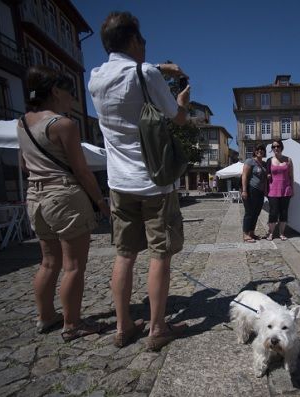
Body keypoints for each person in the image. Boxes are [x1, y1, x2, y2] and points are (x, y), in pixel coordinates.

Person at [88, 11, 190, 350]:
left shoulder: (95, 78)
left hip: (119, 183)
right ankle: (157, 328)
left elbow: (126, 72)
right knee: (160, 254)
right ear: (134, 41)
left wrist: (159, 67)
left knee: (125, 253)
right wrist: (181, 102)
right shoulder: (146, 74)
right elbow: (177, 118)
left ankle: (122, 326)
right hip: (155, 181)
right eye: (142, 40)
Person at [17, 65, 110, 342]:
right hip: (64, 196)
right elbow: (82, 171)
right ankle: (72, 324)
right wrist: (100, 202)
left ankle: (45, 317)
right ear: (56, 91)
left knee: (48, 263)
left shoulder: (22, 123)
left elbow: (23, 164)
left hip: (35, 197)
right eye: (70, 93)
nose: (72, 99)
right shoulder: (63, 124)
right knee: (73, 266)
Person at [265, 139, 294, 241]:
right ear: (272, 149)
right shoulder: (269, 160)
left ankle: (282, 233)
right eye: (274, 147)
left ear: (281, 147)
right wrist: (267, 175)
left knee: (284, 212)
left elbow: (291, 176)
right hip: (272, 190)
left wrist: (292, 189)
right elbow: (266, 174)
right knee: (273, 212)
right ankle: (270, 232)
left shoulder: (288, 160)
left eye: (278, 146)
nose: (276, 148)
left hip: (286, 190)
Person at [241, 144, 267, 243]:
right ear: (255, 151)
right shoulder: (250, 161)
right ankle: (246, 234)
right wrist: (244, 190)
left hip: (260, 192)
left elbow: (265, 178)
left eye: (262, 149)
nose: (260, 151)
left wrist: (265, 190)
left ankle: (251, 232)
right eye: (258, 149)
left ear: (264, 152)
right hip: (250, 189)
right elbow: (244, 176)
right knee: (249, 213)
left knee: (256, 213)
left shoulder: (264, 164)